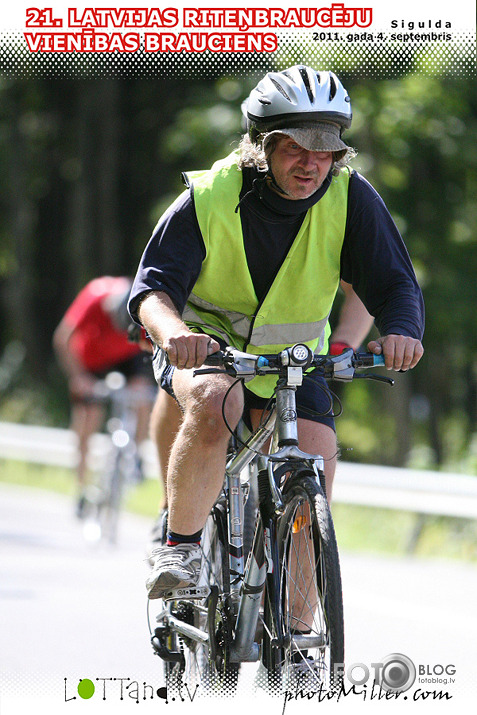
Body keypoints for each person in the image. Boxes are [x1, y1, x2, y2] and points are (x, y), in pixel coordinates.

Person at [128, 65, 424, 601]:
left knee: (317, 455)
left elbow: (395, 285)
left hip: (294, 359)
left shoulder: (352, 197)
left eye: (327, 150)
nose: (313, 164)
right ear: (262, 144)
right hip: (208, 346)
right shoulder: (211, 195)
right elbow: (152, 290)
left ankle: (302, 634)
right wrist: (174, 333)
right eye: (296, 149)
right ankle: (181, 548)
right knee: (219, 402)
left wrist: (403, 331)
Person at [53, 275, 154, 515]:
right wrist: (78, 377)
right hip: (93, 358)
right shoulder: (94, 295)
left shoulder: (141, 297)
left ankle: (136, 455)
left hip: (129, 357)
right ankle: (81, 486)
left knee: (141, 396)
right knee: (88, 416)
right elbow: (63, 338)